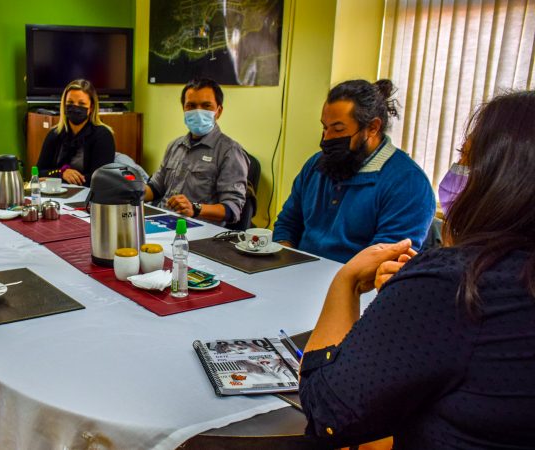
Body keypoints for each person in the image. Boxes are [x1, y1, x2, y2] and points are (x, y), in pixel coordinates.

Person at [299, 90, 535, 449]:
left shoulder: (455, 284)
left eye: (465, 158)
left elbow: (328, 412)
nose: (456, 173)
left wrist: (345, 283)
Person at [272, 79, 435, 263]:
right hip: (298, 274)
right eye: (325, 127)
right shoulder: (316, 165)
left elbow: (384, 259)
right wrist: (284, 261)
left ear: (373, 127)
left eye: (338, 129)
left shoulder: (408, 183)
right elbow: (287, 224)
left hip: (356, 287)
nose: (327, 138)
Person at [144, 78, 249, 227]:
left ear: (218, 111)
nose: (198, 111)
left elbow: (233, 209)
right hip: (160, 222)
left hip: (197, 232)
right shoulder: (175, 145)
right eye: (191, 106)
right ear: (184, 109)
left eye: (206, 106)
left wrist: (195, 208)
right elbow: (156, 187)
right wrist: (132, 192)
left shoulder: (230, 151)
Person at [36, 79, 116, 186]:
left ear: (91, 108)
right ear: (64, 105)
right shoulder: (54, 134)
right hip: (53, 195)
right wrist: (62, 173)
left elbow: (100, 179)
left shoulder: (103, 135)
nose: (75, 107)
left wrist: (54, 178)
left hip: (88, 196)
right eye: (70, 103)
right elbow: (38, 173)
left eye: (81, 103)